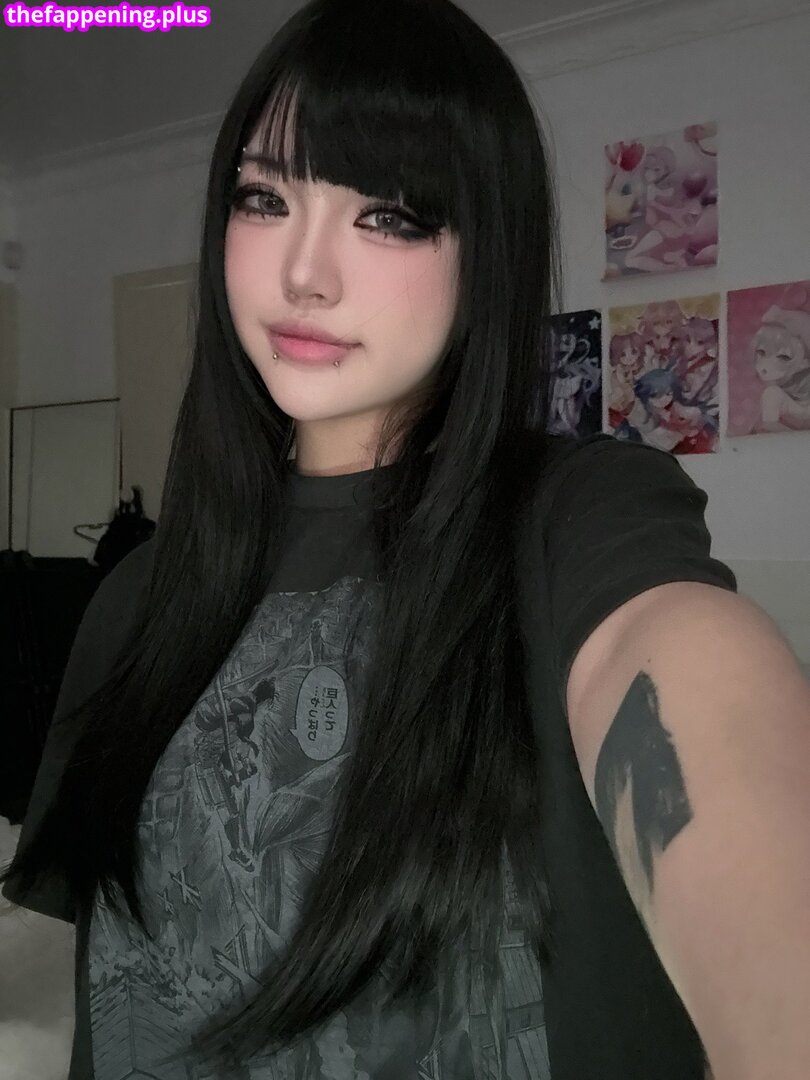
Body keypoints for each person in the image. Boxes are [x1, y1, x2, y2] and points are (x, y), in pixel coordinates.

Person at [4, 2, 810, 1079]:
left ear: (487, 253)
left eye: (387, 216)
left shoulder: (579, 516)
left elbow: (685, 683)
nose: (304, 272)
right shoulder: (137, 602)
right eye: (263, 198)